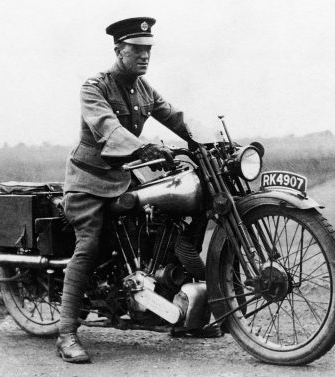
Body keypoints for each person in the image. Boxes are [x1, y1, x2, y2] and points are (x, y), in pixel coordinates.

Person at [57, 17, 196, 363]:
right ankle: (66, 334)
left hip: (121, 178)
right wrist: (143, 147)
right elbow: (108, 128)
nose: (144, 56)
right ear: (118, 50)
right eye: (136, 49)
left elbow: (171, 115)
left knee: (164, 217)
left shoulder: (143, 87)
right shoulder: (95, 87)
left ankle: (168, 306)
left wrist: (196, 143)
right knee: (88, 246)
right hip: (88, 181)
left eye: (148, 49)